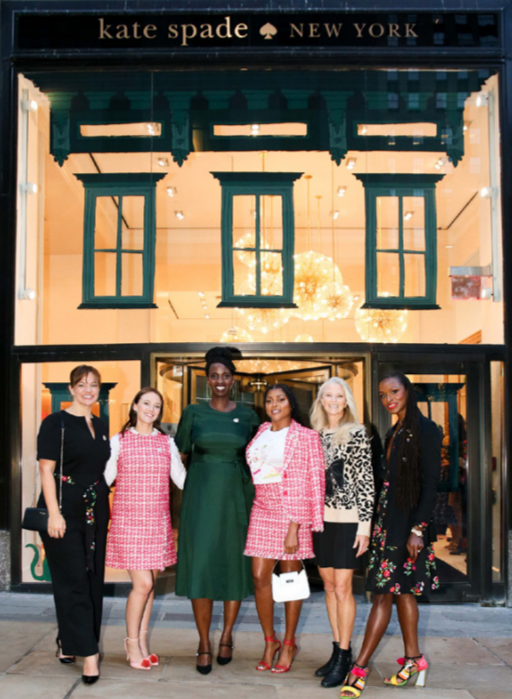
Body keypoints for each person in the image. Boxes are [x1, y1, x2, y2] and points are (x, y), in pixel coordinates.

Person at [340, 371, 441, 697]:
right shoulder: (395, 430)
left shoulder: (425, 429)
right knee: (403, 592)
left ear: (407, 390)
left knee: (383, 593)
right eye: (383, 395)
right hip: (388, 524)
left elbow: (430, 485)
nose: (388, 400)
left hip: (407, 527)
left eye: (393, 391)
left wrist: (417, 530)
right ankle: (414, 660)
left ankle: (360, 668)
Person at [174, 346, 260, 674]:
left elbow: (260, 458)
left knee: (234, 564)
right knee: (202, 565)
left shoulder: (250, 415)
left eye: (226, 376)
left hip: (238, 497)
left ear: (233, 379)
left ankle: (226, 637)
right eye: (214, 376)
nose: (220, 381)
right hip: (200, 498)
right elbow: (178, 457)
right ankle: (203, 642)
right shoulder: (193, 414)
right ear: (207, 380)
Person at [37, 365, 111, 685]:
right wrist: (54, 513)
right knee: (74, 582)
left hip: (95, 512)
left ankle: (70, 642)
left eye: (93, 385)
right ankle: (89, 654)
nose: (88, 390)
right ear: (71, 389)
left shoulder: (101, 424)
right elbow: (45, 470)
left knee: (92, 581)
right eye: (82, 384)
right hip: (63, 511)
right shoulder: (56, 423)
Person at [244, 383, 325, 674]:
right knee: (259, 575)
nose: (274, 404)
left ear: (291, 404)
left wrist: (294, 526)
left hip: (292, 511)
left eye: (280, 399)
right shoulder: (262, 432)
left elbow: (308, 480)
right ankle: (270, 641)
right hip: (263, 508)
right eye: (269, 400)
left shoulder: (305, 436)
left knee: (290, 579)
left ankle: (289, 642)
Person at [104, 387, 186, 670]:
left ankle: (142, 643)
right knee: (144, 585)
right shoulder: (120, 440)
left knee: (150, 589)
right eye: (147, 403)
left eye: (157, 405)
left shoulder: (166, 442)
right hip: (129, 522)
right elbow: (104, 478)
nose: (151, 409)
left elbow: (182, 480)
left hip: (157, 524)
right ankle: (130, 642)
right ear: (135, 406)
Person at [310, 377, 375, 688]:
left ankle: (346, 652)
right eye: (328, 395)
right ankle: (338, 651)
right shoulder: (315, 435)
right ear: (321, 400)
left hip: (349, 520)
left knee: (343, 586)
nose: (333, 400)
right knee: (328, 584)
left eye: (339, 396)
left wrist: (365, 527)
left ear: (346, 400)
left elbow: (366, 483)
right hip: (320, 520)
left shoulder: (358, 434)